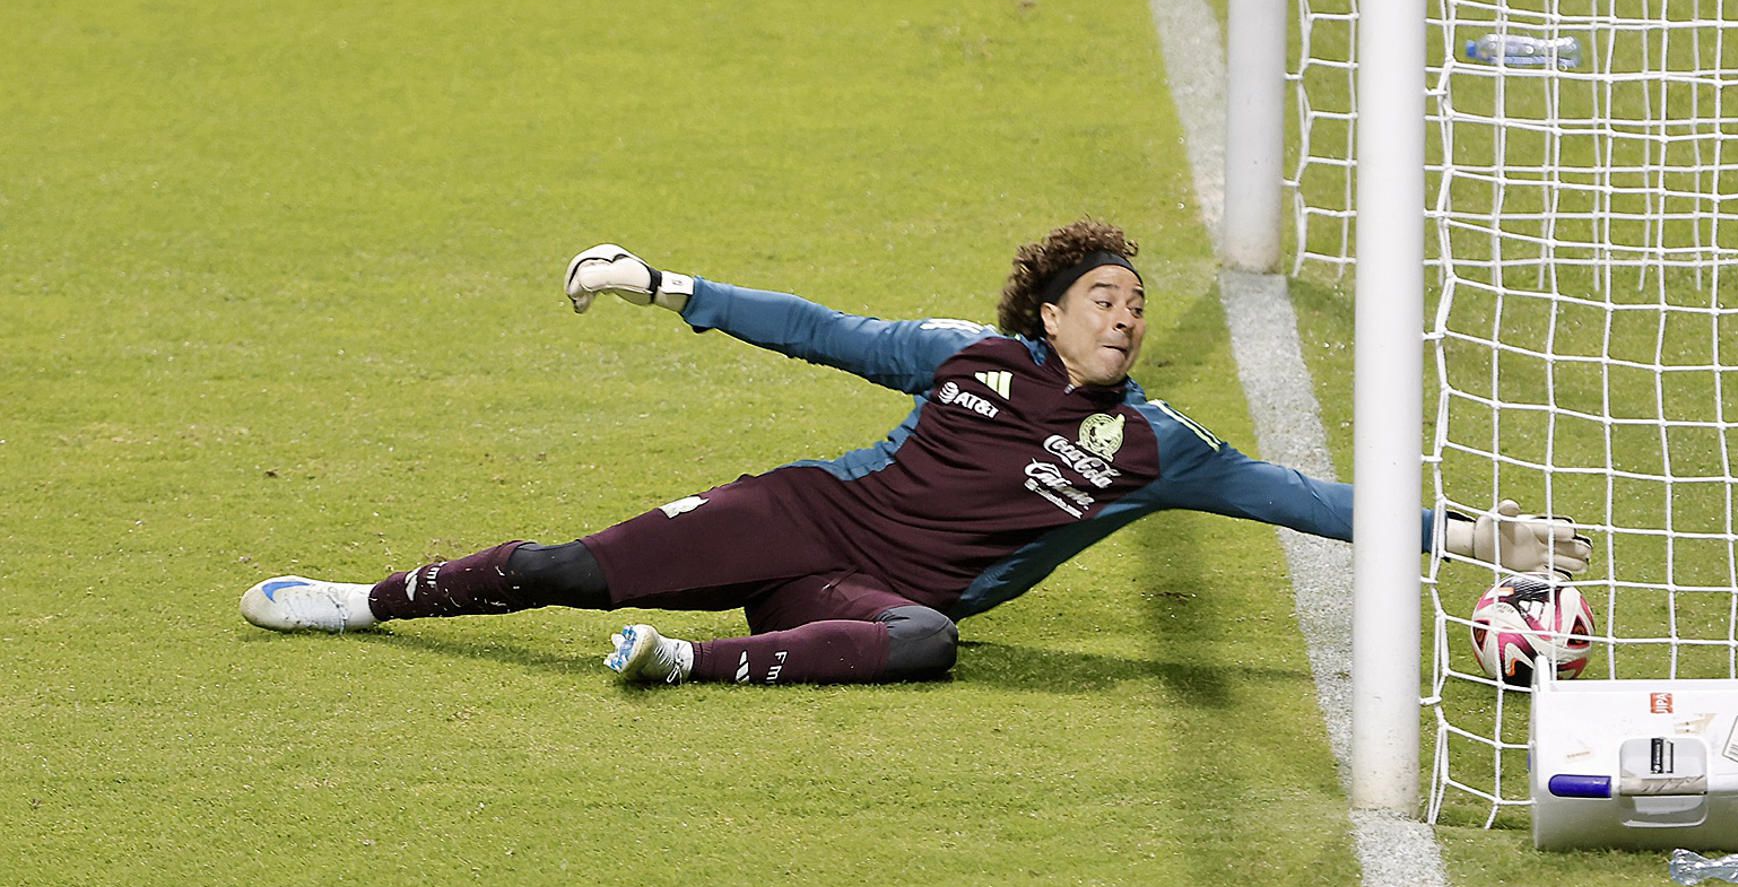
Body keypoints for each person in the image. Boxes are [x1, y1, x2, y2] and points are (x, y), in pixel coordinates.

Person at [240, 220, 1590, 685]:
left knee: (927, 645)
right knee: (562, 563)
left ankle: (683, 664)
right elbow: (825, 331)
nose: (1129, 315)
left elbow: (1309, 499)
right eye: (1106, 298)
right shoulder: (968, 356)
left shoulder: (1154, 450)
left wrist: (1474, 539)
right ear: (1047, 314)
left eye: (1137, 305)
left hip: (871, 604)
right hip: (804, 522)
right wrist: (667, 285)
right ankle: (356, 602)